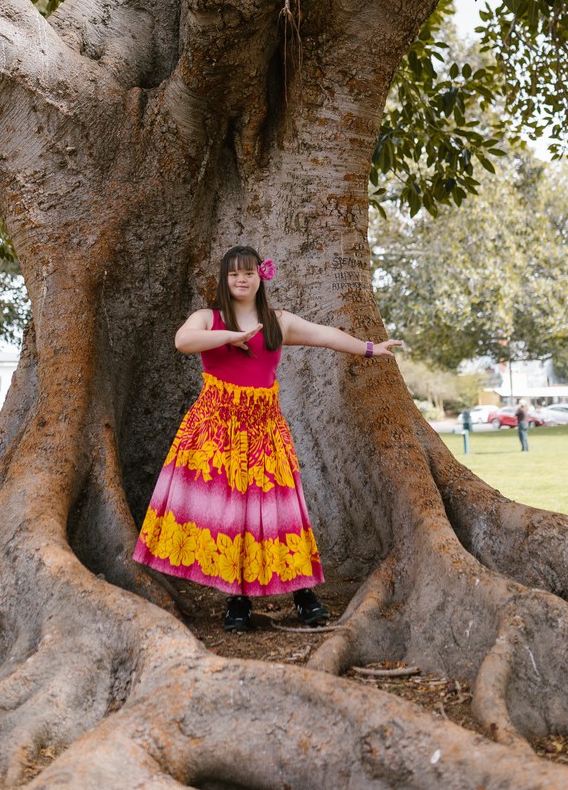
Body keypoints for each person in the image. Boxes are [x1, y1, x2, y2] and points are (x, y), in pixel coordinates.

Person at [133, 245, 402, 632]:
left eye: (248, 273)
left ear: (261, 276)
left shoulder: (278, 321)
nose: (241, 280)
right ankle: (236, 601)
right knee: (230, 516)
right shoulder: (207, 318)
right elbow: (183, 341)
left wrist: (371, 348)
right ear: (224, 280)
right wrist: (231, 335)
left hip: (263, 427)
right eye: (233, 274)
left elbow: (324, 335)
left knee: (281, 510)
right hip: (216, 427)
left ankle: (303, 594)